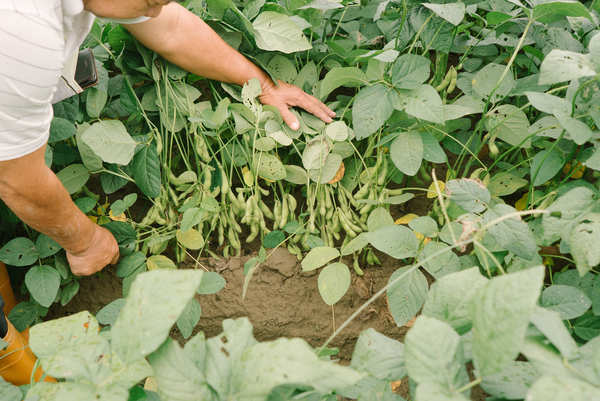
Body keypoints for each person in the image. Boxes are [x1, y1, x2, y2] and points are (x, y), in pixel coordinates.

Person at [0, 0, 335, 277]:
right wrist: (84, 241)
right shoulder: (23, 29)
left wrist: (264, 87)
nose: (158, 10)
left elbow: (171, 29)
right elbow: (16, 179)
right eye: (152, 1)